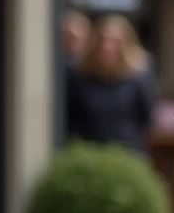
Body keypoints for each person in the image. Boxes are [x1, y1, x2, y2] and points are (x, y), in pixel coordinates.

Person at [66, 14, 156, 153]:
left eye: (114, 42)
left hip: (126, 154)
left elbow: (147, 118)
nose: (106, 46)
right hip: (88, 154)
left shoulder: (138, 78)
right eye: (102, 40)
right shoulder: (79, 76)